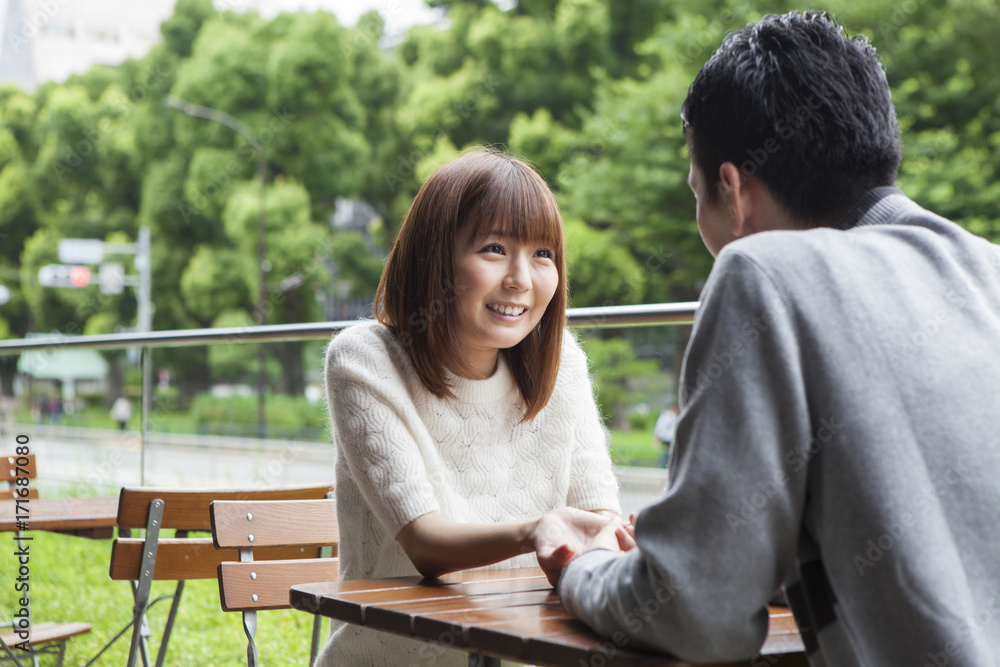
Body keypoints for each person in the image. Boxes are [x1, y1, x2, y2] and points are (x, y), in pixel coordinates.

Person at [536, 11, 1000, 666]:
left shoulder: (763, 272)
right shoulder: (988, 270)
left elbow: (693, 612)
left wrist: (579, 563)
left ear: (735, 190)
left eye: (699, 195)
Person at [316, 148, 623, 666]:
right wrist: (537, 530)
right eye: (494, 248)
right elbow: (426, 543)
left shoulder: (562, 362)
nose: (522, 278)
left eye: (543, 253)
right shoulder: (365, 359)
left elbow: (598, 521)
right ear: (435, 257)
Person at [652, 403, 678, 467]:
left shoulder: (673, 416)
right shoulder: (667, 416)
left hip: (670, 438)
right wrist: (658, 438)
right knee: (668, 453)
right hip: (668, 438)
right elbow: (660, 428)